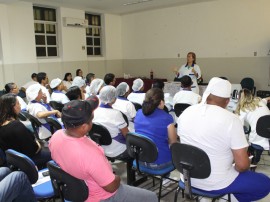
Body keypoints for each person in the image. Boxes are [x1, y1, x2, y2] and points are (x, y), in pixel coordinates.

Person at [177, 77, 270, 202]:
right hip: (216, 183)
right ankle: (226, 197)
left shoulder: (186, 112)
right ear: (227, 101)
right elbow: (242, 166)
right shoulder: (231, 120)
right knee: (264, 182)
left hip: (187, 177)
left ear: (207, 95)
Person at [49, 100, 158, 202]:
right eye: (91, 119)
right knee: (151, 197)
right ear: (84, 126)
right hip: (101, 196)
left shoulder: (56, 136)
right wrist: (117, 178)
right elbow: (111, 187)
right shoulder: (90, 154)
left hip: (76, 190)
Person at [0, 93, 51, 168]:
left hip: (14, 161)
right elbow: (33, 150)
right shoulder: (16, 126)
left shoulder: (2, 125)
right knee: (55, 153)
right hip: (28, 160)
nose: (20, 105)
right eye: (18, 103)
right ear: (12, 107)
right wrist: (38, 144)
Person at [134, 88, 177, 170]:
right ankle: (166, 179)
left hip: (140, 159)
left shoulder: (139, 113)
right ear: (161, 102)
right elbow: (173, 143)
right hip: (160, 163)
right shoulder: (167, 118)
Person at [93, 86, 129, 159]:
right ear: (113, 98)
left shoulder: (94, 111)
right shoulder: (116, 114)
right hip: (118, 150)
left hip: (101, 148)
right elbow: (126, 135)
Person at [235, 88, 270, 165]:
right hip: (268, 129)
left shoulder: (243, 108)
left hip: (259, 133)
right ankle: (255, 155)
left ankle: (253, 161)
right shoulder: (259, 101)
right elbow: (266, 99)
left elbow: (239, 126)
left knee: (255, 145)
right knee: (261, 140)